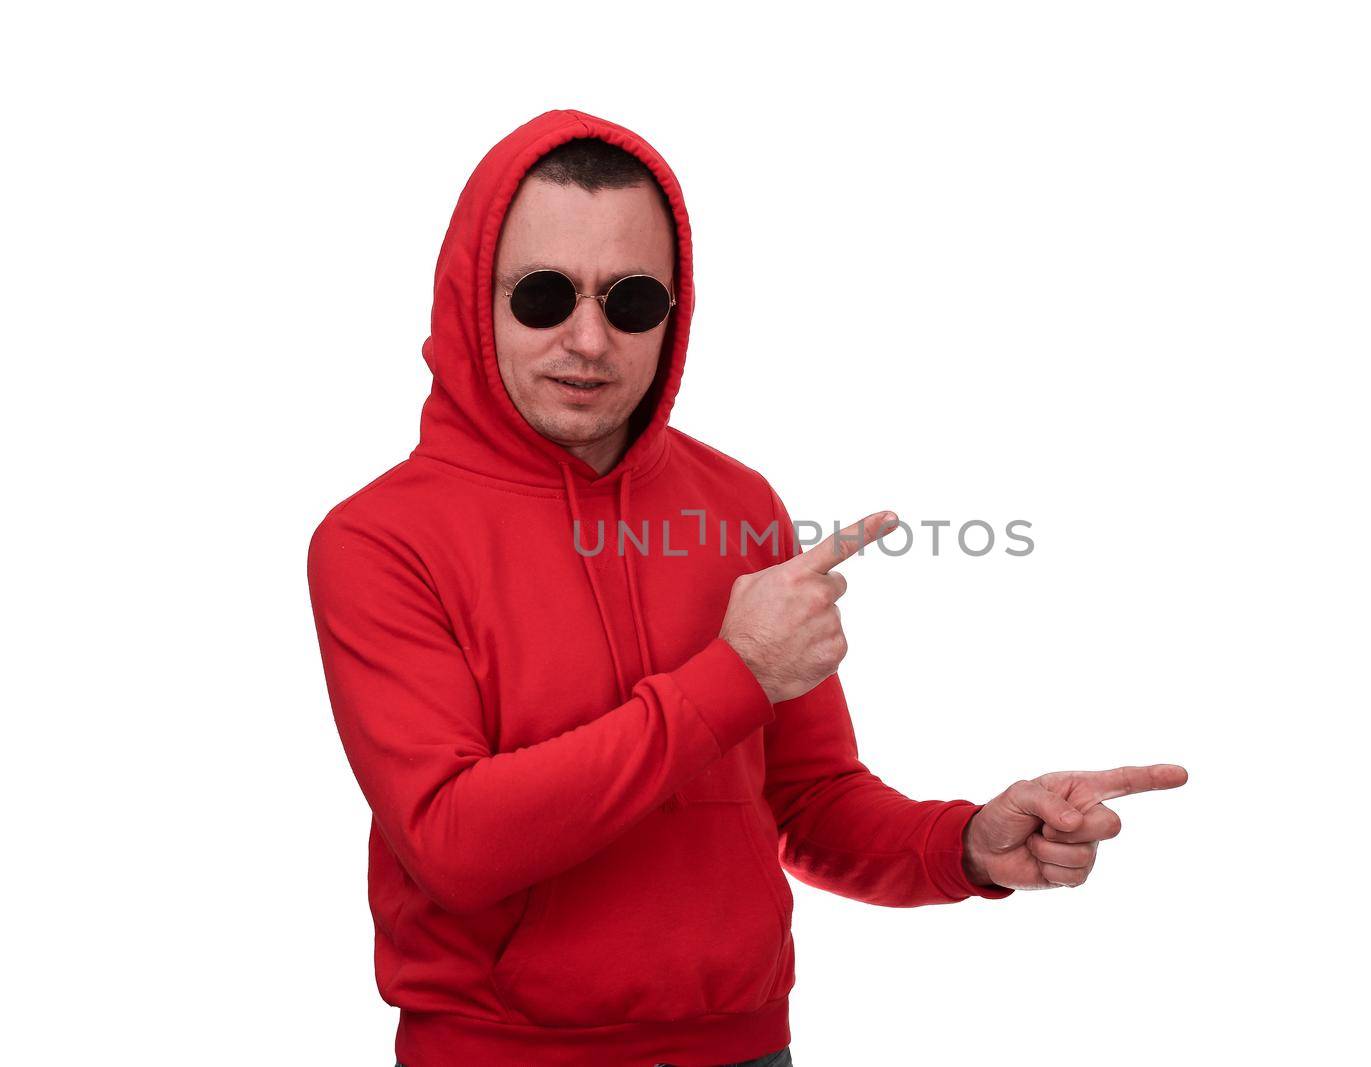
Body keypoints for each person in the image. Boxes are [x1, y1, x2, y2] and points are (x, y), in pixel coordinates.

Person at [307, 108, 1188, 1067]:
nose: (589, 339)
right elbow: (454, 843)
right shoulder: (377, 540)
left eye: (632, 299)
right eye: (544, 295)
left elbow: (809, 801)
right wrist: (733, 674)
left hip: (747, 1051)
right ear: (471, 297)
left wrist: (969, 843)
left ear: (675, 311)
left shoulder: (735, 504)